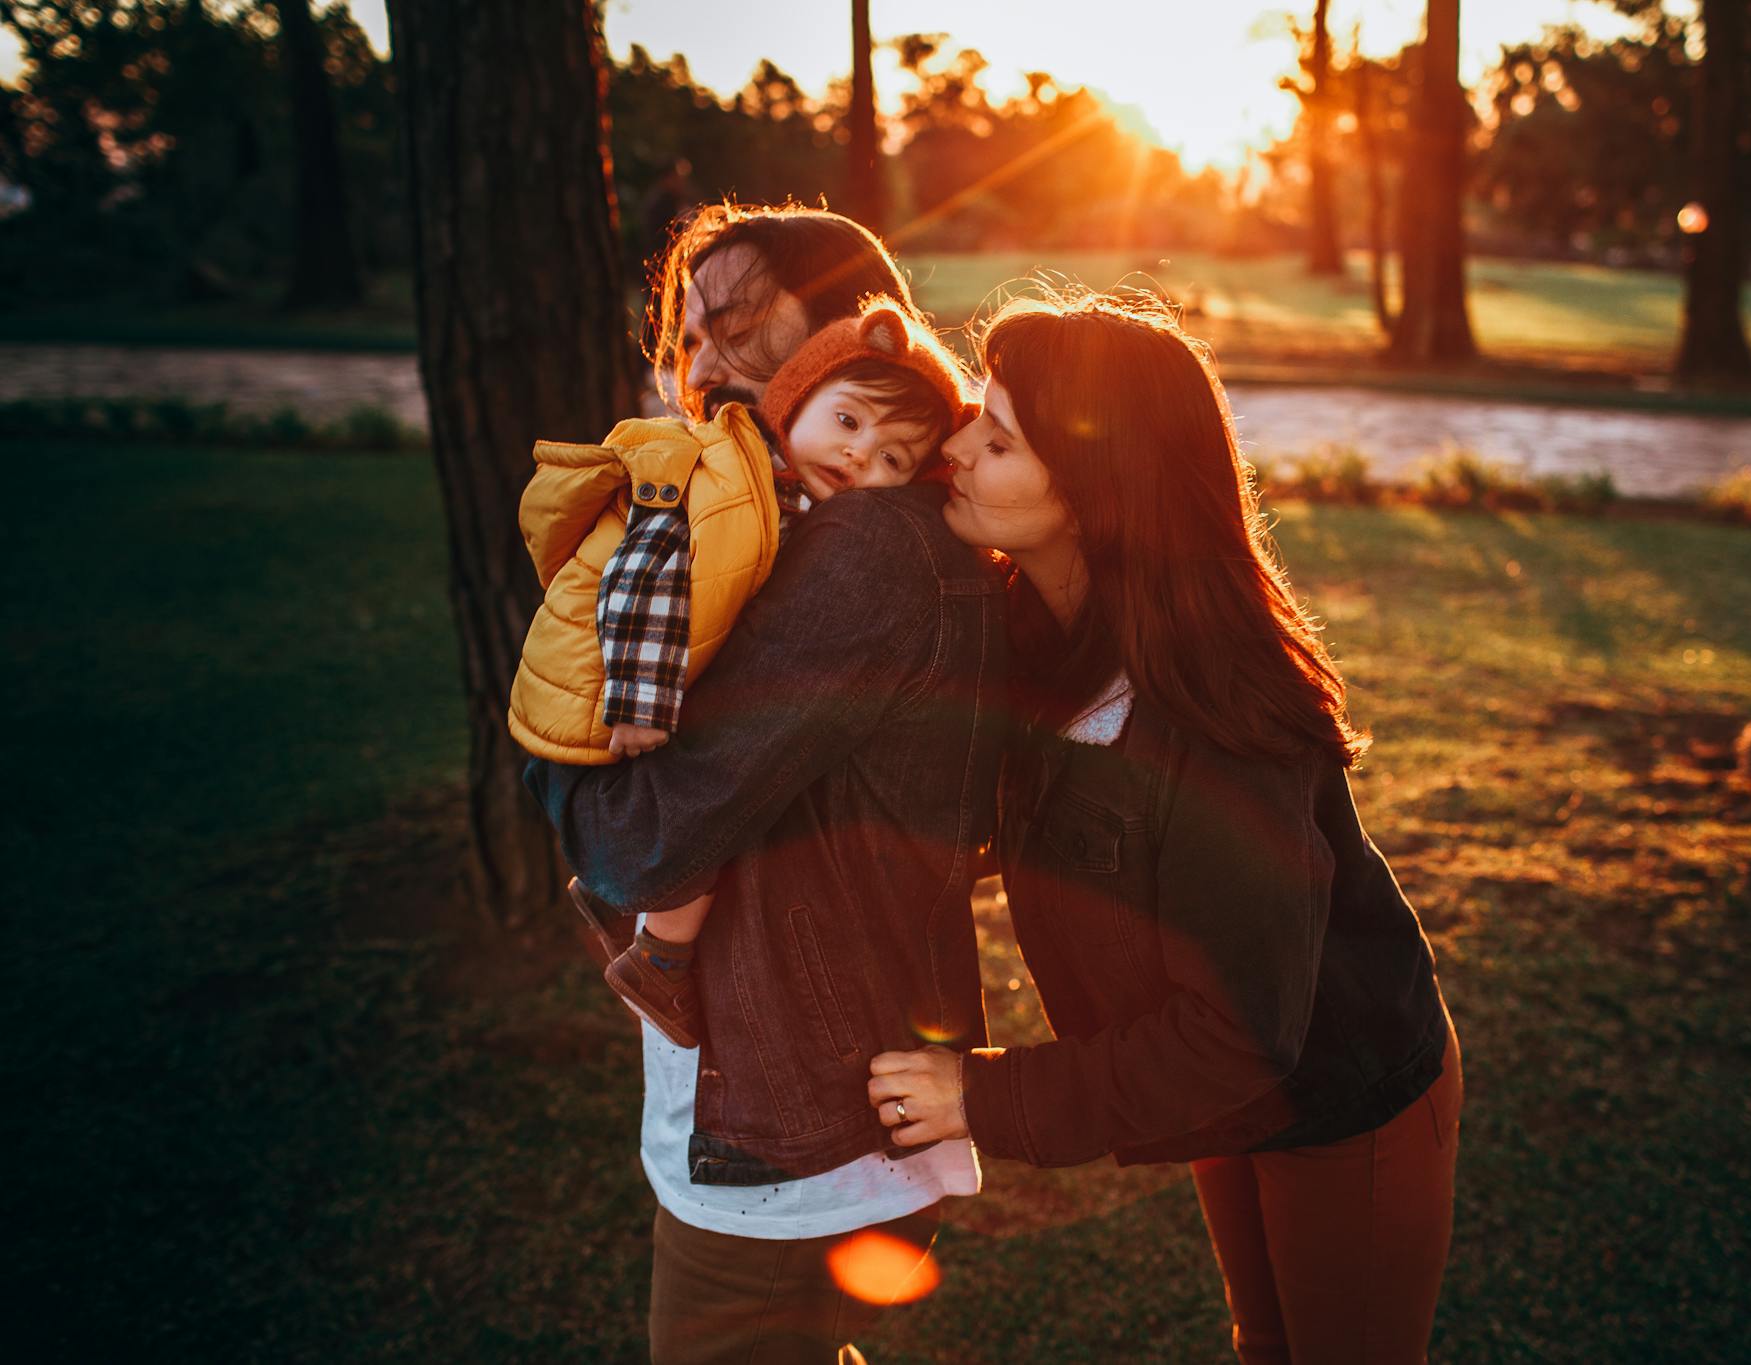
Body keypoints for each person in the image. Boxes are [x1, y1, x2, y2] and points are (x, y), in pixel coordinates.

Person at [866, 290, 1463, 1364]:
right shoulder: (1025, 624)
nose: (953, 447)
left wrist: (984, 1093)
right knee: (1262, 1341)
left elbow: (1239, 1033)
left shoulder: (1220, 718)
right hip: (1215, 1088)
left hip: (1339, 1086)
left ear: (1097, 496)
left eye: (995, 439)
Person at [523, 204, 1008, 1365]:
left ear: (845, 331)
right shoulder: (793, 527)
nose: (699, 365)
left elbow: (644, 842)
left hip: (792, 1127)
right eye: (684, 335)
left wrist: (549, 759)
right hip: (821, 1092)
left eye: (732, 324)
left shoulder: (860, 550)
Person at [507, 296, 972, 1049]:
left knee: (729, 773)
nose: (859, 455)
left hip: (643, 675)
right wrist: (640, 697)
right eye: (849, 421)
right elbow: (645, 575)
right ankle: (660, 953)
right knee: (711, 788)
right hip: (611, 673)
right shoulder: (727, 477)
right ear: (796, 395)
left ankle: (647, 937)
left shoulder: (801, 500)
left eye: (892, 459)